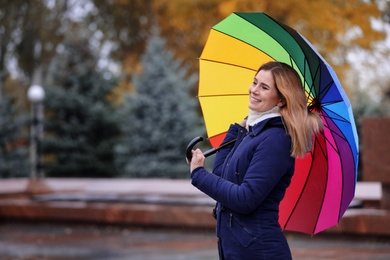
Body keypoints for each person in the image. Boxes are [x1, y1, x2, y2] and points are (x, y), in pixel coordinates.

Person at [188, 61, 323, 259]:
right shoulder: (253, 133)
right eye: (255, 82)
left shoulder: (276, 140)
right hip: (238, 250)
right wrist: (237, 130)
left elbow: (245, 199)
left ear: (281, 100)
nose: (254, 90)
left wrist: (198, 174)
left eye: (264, 87)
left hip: (260, 251)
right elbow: (221, 177)